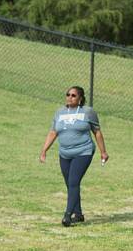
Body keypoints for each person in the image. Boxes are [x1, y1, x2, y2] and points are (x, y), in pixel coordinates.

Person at [39, 86, 109, 227]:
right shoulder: (59, 112)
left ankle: (67, 216)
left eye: (73, 95)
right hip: (65, 154)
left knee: (73, 182)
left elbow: (97, 132)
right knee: (70, 184)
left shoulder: (88, 112)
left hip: (83, 152)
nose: (70, 97)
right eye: (68, 94)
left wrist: (103, 151)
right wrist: (44, 150)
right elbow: (53, 132)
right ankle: (78, 214)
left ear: (80, 99)